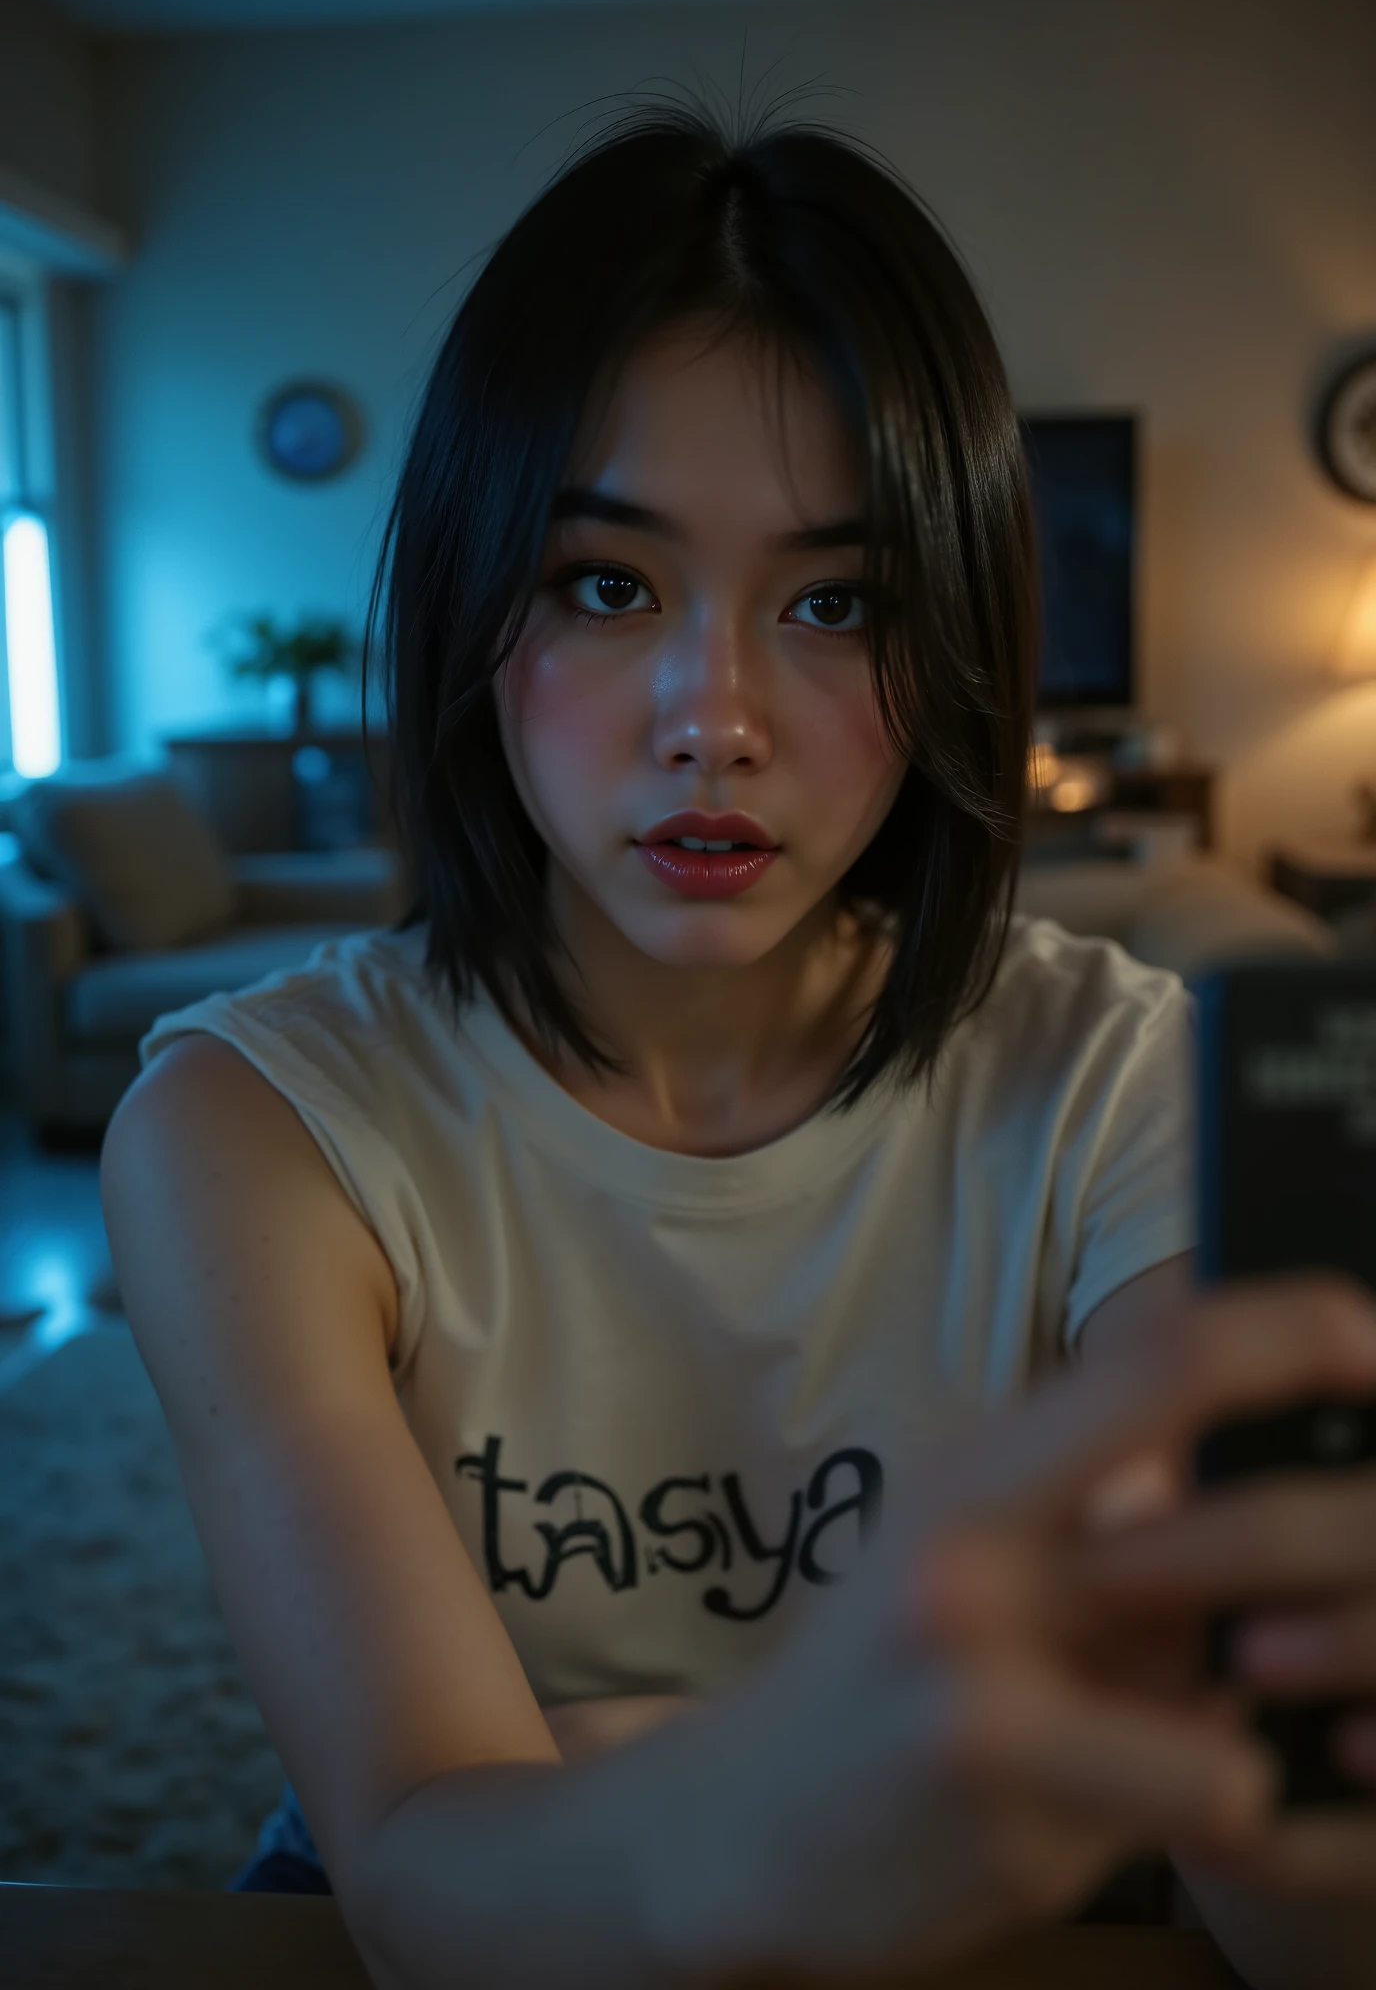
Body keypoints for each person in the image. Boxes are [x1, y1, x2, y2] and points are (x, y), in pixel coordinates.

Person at [100, 107, 1376, 1989]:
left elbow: (1304, 1915)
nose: (716, 715)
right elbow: (423, 1878)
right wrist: (813, 1802)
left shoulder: (1122, 1091)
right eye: (607, 586)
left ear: (951, 636)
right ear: (471, 603)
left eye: (836, 603)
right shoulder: (258, 1128)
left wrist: (1283, 1721)